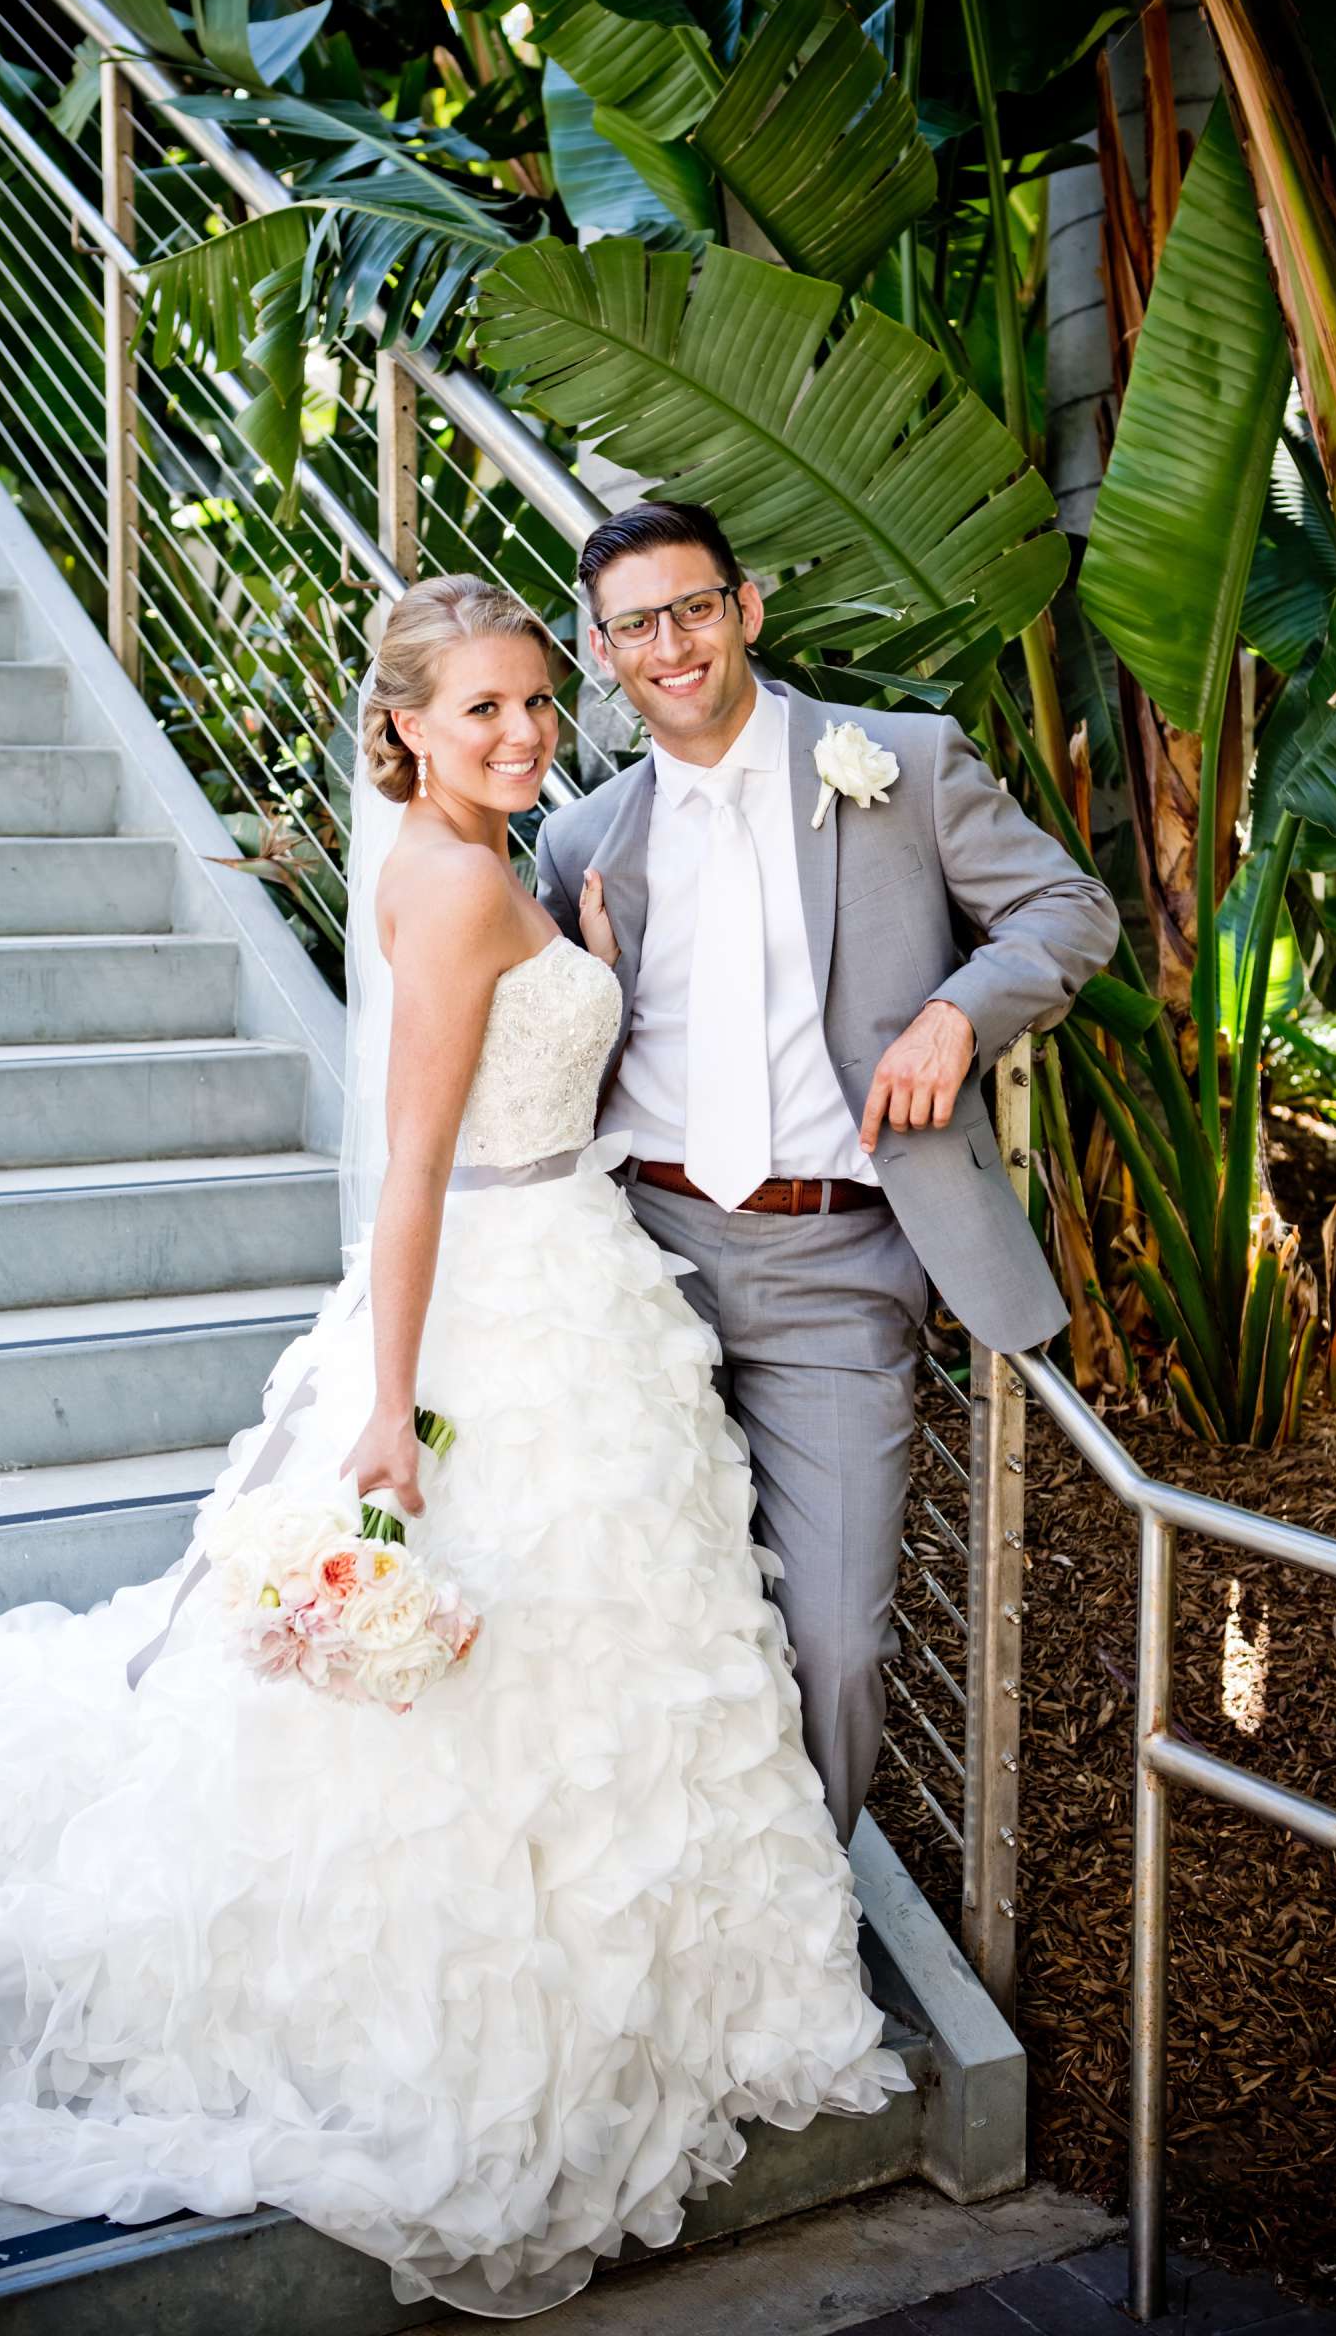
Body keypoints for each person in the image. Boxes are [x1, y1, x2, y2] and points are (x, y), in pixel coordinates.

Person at [0, 575, 914, 2320]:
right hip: (499, 1294)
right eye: (484, 714)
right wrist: (389, 1404)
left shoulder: (495, 860)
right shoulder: (452, 886)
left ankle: (643, 1982)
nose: (525, 733)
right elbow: (417, 1164)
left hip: (583, 1274)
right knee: (510, 1679)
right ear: (406, 732)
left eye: (537, 703)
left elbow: (535, 1077)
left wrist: (585, 969)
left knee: (609, 1670)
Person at [537, 502, 1121, 1844]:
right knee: (640, 1627)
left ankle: (799, 1952)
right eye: (636, 625)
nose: (670, 645)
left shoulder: (900, 767)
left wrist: (960, 1012)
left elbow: (1066, 909)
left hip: (840, 1268)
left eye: (693, 609)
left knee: (839, 1647)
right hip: (641, 1265)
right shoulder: (584, 844)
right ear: (602, 651)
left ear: (745, 611)